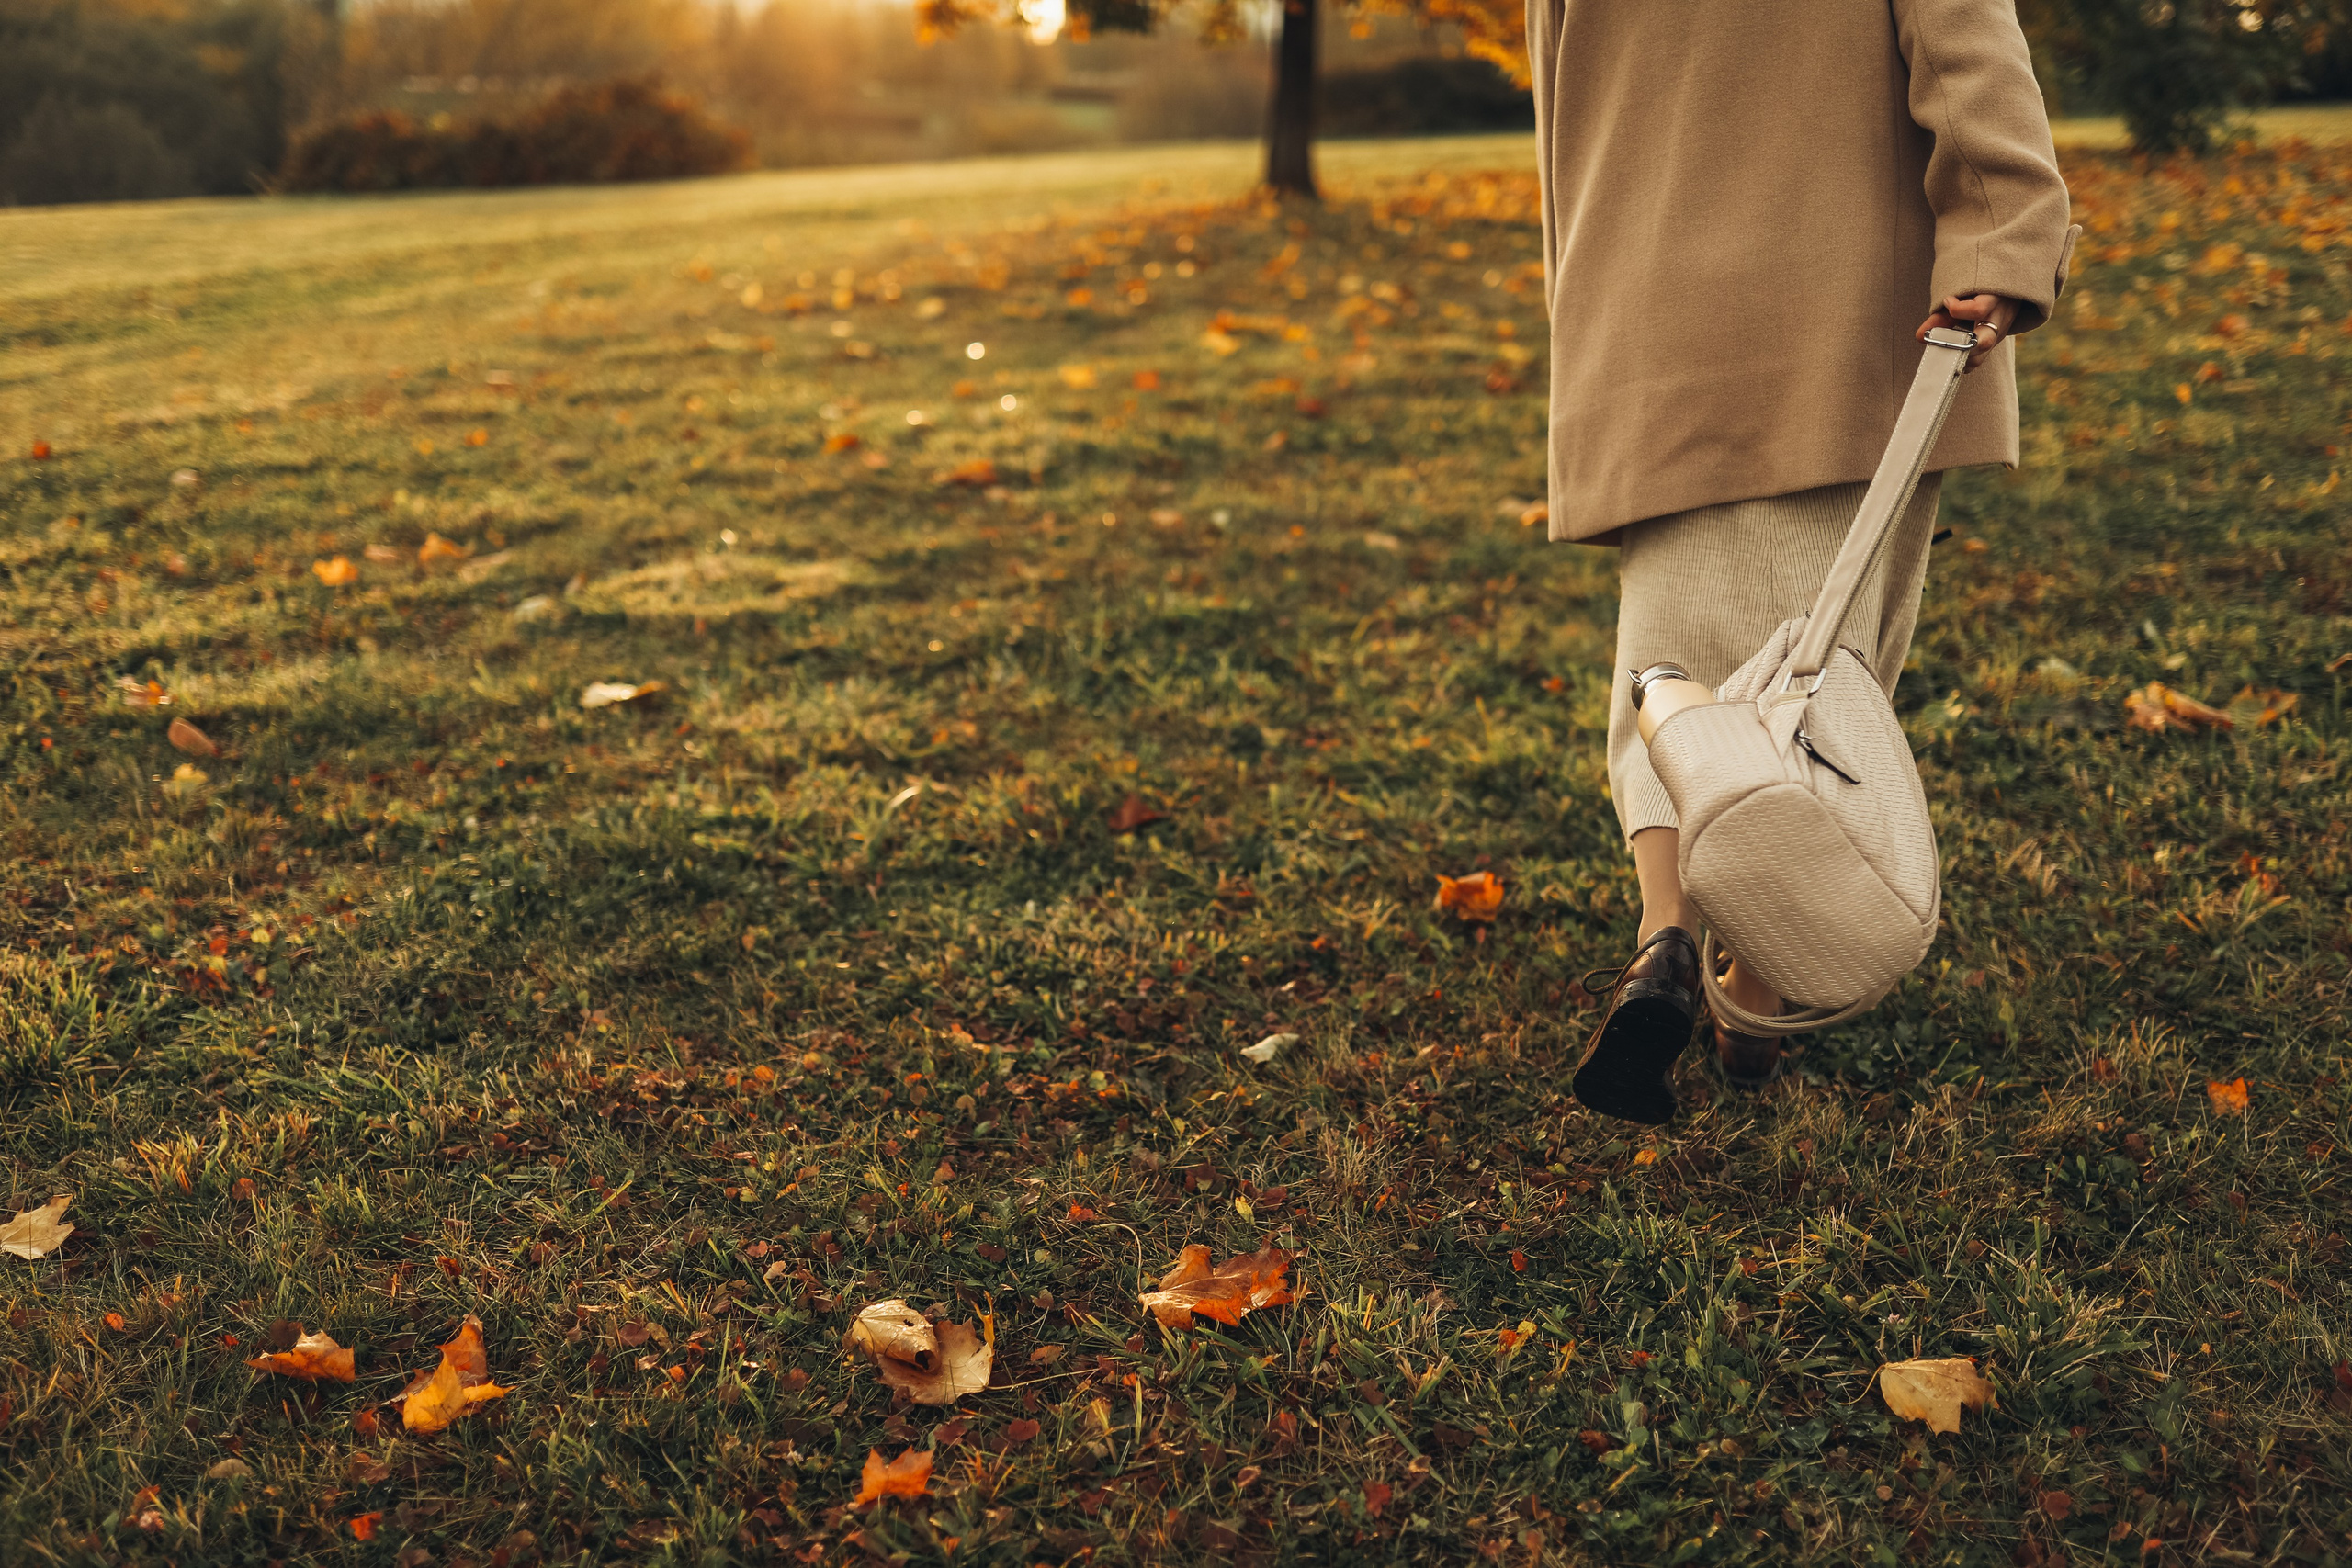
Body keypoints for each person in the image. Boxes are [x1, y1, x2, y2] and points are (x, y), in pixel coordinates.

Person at [1524, 0, 2080, 1123]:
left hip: (1642, 302)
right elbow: (1965, 40)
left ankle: (1667, 942)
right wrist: (2007, 232)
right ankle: (1758, 992)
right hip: (1835, 301)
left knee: (1669, 660)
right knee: (1812, 673)